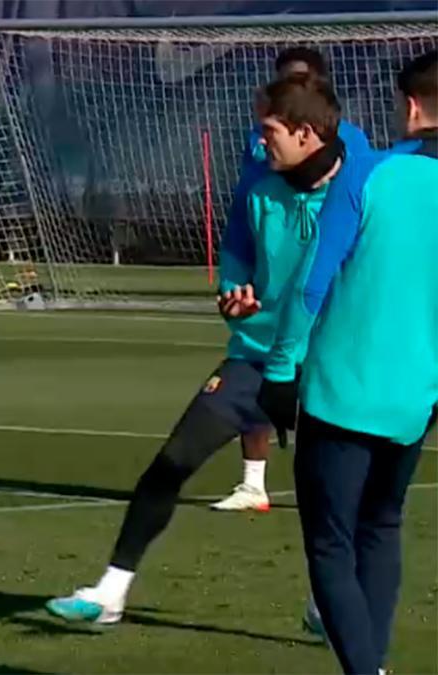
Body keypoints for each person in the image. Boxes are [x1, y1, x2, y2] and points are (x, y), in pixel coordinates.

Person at [46, 73, 346, 625]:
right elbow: (236, 251)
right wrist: (235, 291)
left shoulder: (356, 195)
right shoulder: (259, 190)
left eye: (270, 130)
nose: (261, 142)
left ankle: (331, 604)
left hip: (326, 367)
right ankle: (110, 591)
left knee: (334, 495)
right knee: (169, 465)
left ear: (306, 133)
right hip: (252, 359)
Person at [258, 50, 438, 675]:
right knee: (382, 526)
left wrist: (279, 374)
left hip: (342, 392)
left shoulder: (370, 173)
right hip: (416, 400)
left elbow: (311, 284)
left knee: (331, 546)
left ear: (412, 106)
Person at [210, 46, 371, 512]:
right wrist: (234, 281)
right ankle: (252, 483)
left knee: (323, 390)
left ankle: (337, 485)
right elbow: (243, 215)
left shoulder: (354, 144)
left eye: (298, 81)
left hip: (326, 291)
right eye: (282, 81)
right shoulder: (259, 145)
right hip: (272, 280)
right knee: (259, 370)